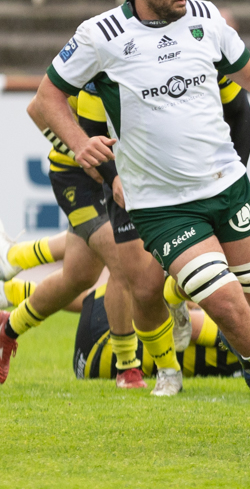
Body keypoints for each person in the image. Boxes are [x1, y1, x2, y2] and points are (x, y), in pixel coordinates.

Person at [31, 0, 250, 438]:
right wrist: (79, 143)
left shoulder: (205, 16)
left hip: (226, 186)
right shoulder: (100, 34)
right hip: (161, 206)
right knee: (227, 306)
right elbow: (47, 97)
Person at [3, 85, 185, 393]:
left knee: (78, 277)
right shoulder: (90, 59)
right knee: (123, 262)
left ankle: (7, 328)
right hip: (77, 181)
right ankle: (128, 369)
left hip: (118, 174)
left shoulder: (141, 59)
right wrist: (78, 152)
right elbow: (37, 109)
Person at [69, 280, 250, 381]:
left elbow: (190, 325)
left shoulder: (238, 330)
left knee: (133, 276)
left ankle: (31, 278)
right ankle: (31, 293)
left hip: (103, 349)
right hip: (92, 368)